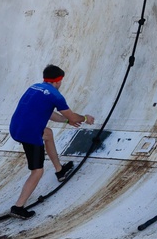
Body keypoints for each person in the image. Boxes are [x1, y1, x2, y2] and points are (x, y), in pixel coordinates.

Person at [8, 65, 95, 219]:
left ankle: (59, 170)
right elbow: (75, 117)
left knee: (47, 133)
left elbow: (49, 114)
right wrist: (85, 118)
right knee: (37, 171)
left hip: (16, 127)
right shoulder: (56, 96)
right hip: (29, 133)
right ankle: (18, 207)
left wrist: (66, 120)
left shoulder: (35, 87)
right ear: (58, 80)